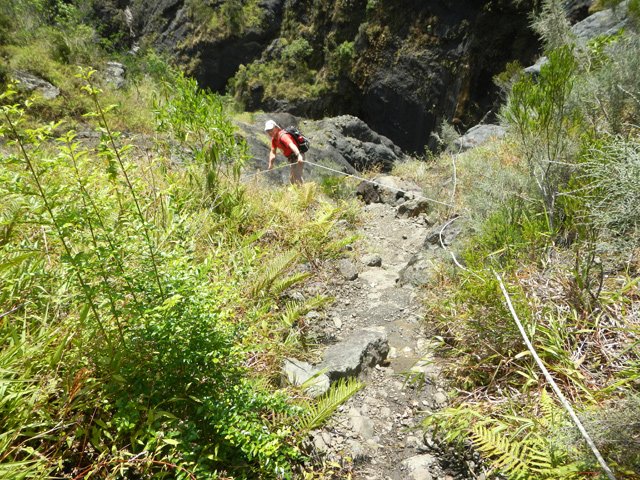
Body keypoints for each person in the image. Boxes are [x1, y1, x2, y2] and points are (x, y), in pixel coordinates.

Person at [264, 119, 304, 185]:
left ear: (276, 128)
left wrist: (299, 155)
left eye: (271, 130)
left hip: (298, 155)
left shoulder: (283, 136)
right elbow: (273, 152)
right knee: (292, 179)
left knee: (297, 177)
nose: (270, 132)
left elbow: (291, 145)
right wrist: (271, 164)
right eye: (268, 131)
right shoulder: (274, 140)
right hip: (292, 158)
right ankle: (301, 189)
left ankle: (303, 190)